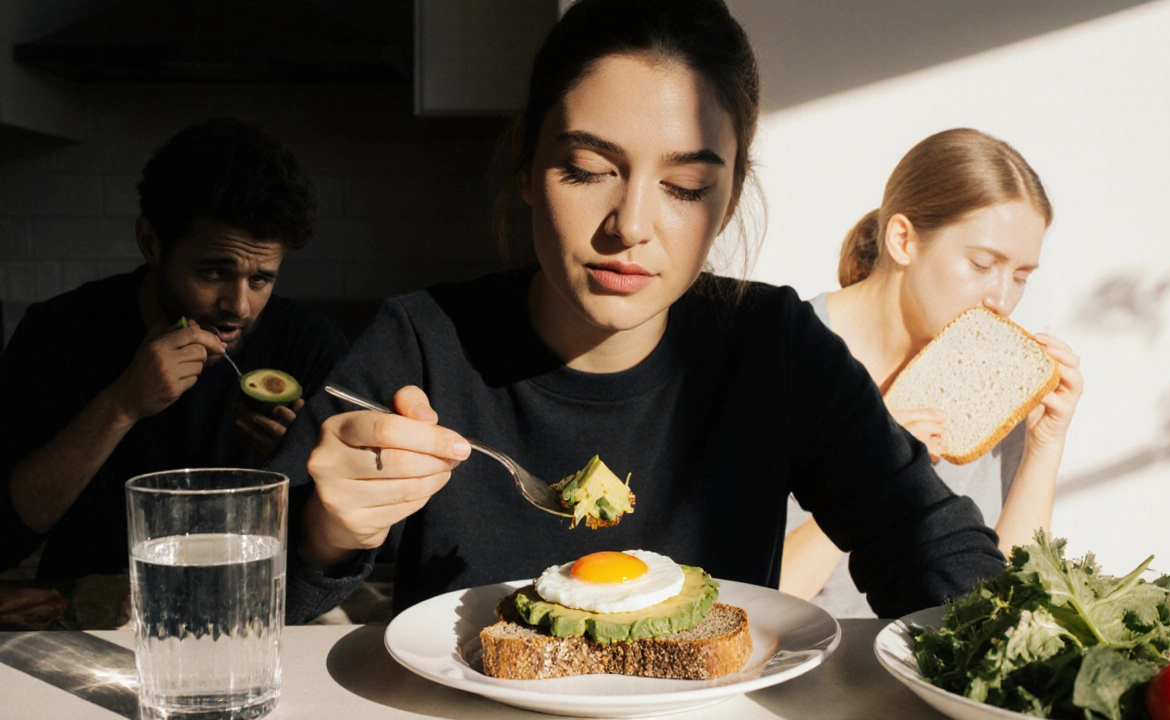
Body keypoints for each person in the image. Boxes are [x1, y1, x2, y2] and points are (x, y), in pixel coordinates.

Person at [269, 0, 1006, 625]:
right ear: (526, 163)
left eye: (684, 186)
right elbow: (241, 587)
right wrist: (325, 533)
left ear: (730, 199)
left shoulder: (772, 344)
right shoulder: (422, 342)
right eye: (588, 171)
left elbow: (927, 539)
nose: (630, 225)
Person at [0, 118, 348, 581]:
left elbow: (333, 560)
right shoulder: (59, 333)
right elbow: (5, 536)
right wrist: (121, 404)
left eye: (261, 278)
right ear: (151, 243)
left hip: (251, 616)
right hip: (89, 625)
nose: (239, 306)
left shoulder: (307, 342)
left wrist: (303, 470)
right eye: (212, 273)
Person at [778, 128, 1084, 617]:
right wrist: (874, 471)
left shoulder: (989, 388)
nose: (1003, 301)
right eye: (983, 264)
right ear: (903, 239)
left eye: (1022, 276)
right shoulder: (786, 355)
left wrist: (1044, 449)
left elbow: (1002, 611)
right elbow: (740, 604)